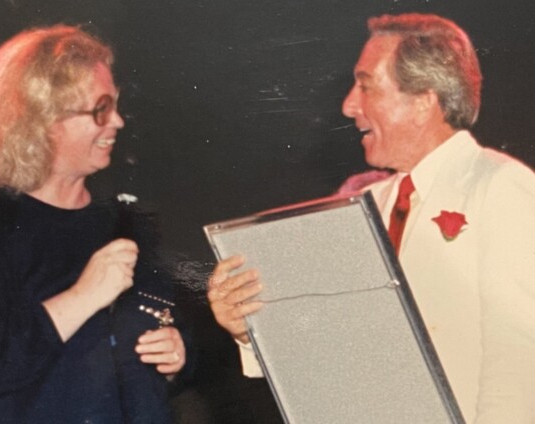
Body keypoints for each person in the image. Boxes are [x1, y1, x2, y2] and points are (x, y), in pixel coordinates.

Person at [207, 13, 535, 424]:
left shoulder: (501, 187)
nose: (349, 104)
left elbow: (520, 366)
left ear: (422, 101)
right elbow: (328, 350)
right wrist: (248, 325)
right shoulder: (362, 205)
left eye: (365, 85)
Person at [0, 25, 188, 423]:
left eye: (115, 105)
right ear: (42, 120)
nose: (118, 122)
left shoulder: (126, 219)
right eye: (100, 109)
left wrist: (179, 353)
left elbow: (172, 323)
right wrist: (83, 296)